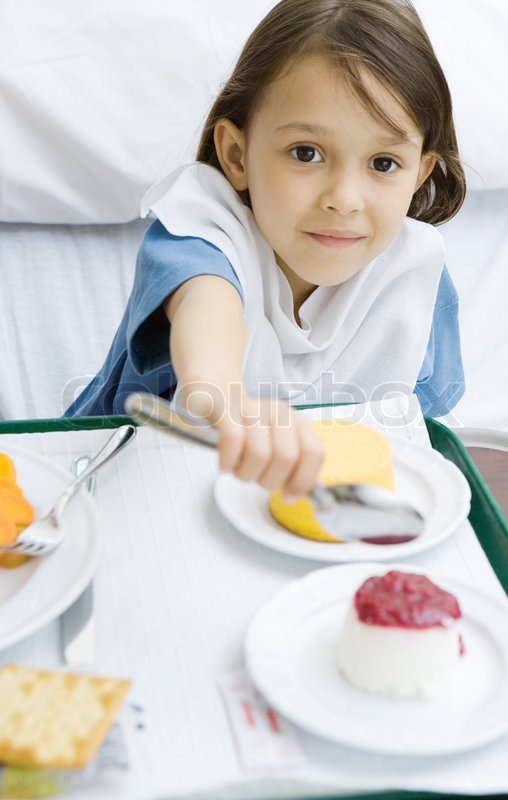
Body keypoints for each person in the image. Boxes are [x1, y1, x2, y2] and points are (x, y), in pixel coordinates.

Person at [66, 0, 466, 498]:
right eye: (306, 153)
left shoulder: (415, 274)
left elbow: (417, 428)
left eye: (383, 163)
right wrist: (226, 398)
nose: (344, 199)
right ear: (237, 155)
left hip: (306, 509)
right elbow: (206, 314)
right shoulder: (204, 234)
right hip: (124, 483)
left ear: (420, 173)